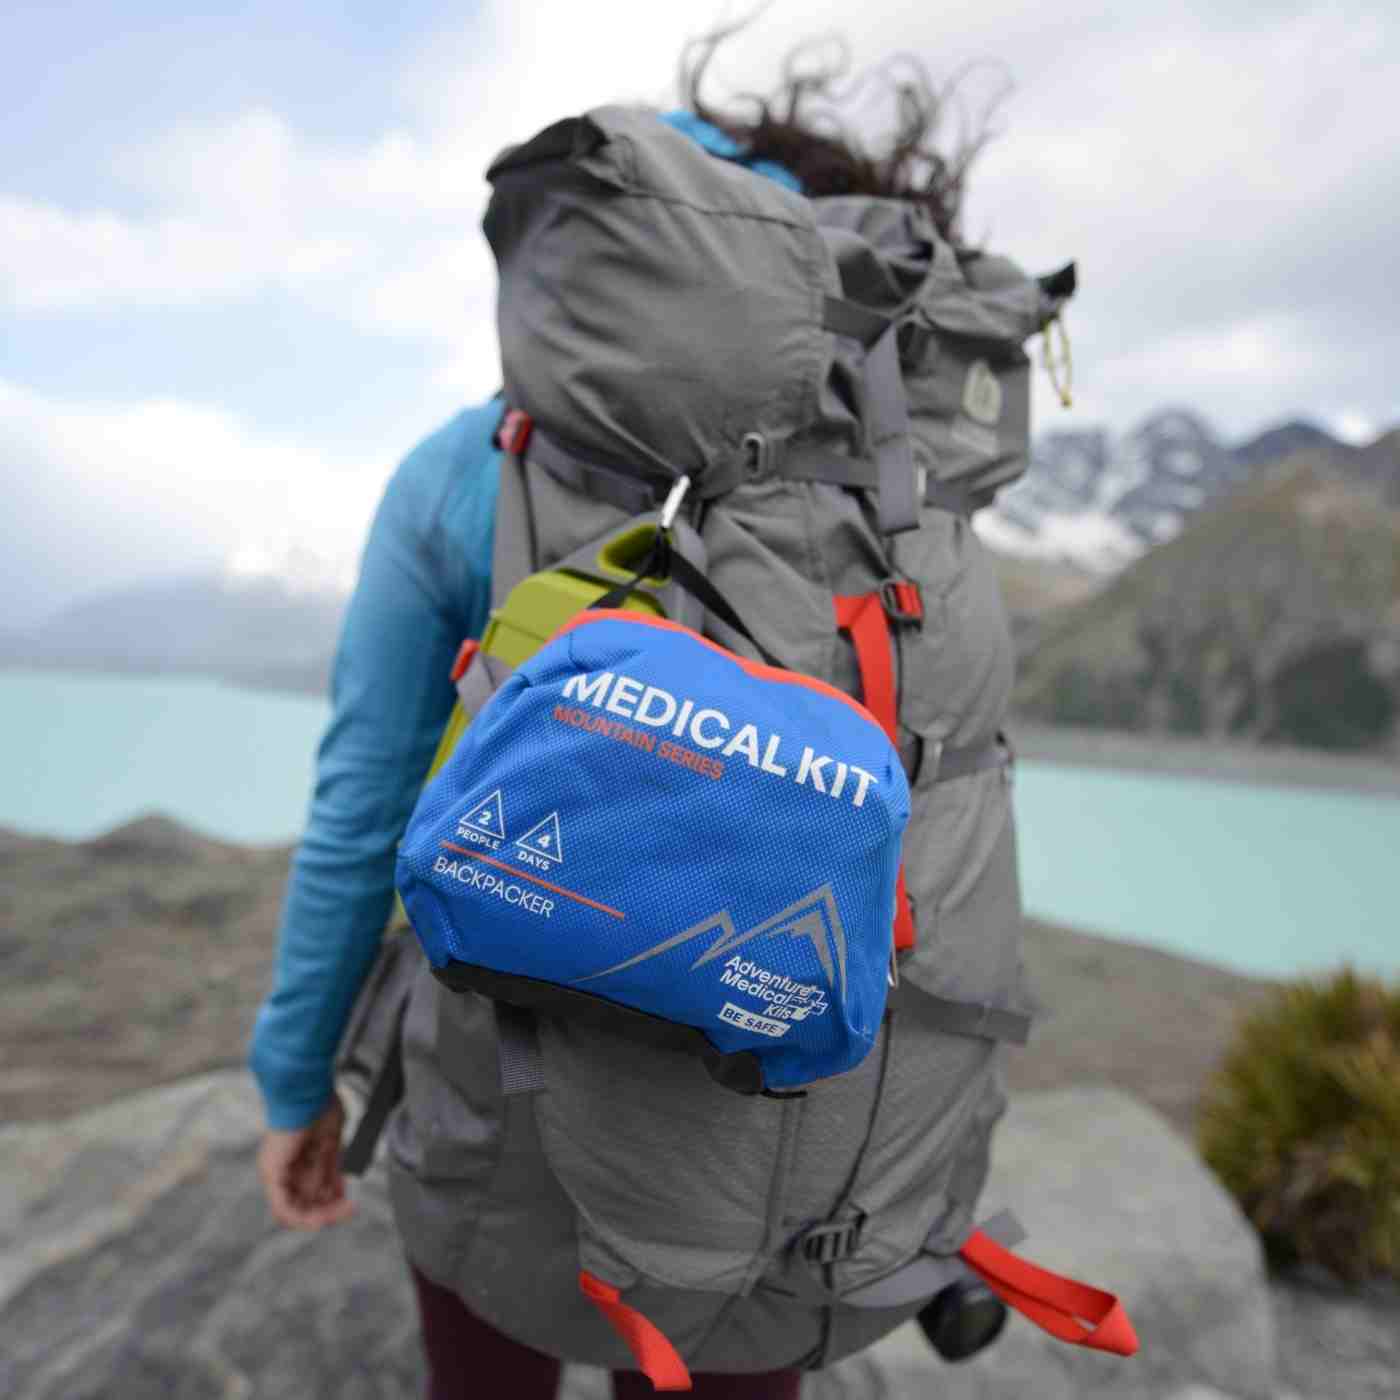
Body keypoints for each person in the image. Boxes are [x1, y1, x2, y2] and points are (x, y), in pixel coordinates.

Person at [251, 32, 1005, 1400]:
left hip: (499, 1105)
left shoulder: (468, 468)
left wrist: (298, 1079)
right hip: (794, 1132)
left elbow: (362, 814)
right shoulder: (893, 480)